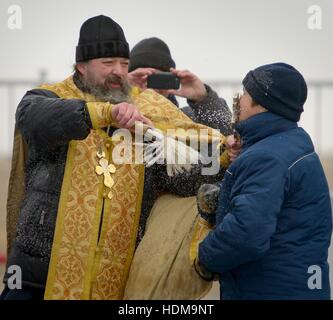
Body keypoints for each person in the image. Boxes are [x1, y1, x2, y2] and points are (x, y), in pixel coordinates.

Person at [1, 15, 232, 300]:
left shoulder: (149, 110)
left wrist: (222, 157)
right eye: (107, 63)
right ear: (81, 66)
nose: (118, 72)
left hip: (110, 285)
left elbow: (180, 175)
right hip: (38, 283)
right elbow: (34, 119)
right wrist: (106, 113)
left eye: (124, 64)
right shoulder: (49, 97)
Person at [197, 62, 333, 300]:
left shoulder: (266, 158)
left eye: (246, 95)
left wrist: (204, 258)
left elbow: (246, 234)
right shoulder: (293, 143)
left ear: (263, 105)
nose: (239, 101)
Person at [128, 37, 233, 135]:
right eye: (141, 78)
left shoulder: (189, 120)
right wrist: (120, 91)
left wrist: (204, 100)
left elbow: (226, 135)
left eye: (158, 79)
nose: (150, 87)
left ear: (170, 80)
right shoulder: (114, 114)